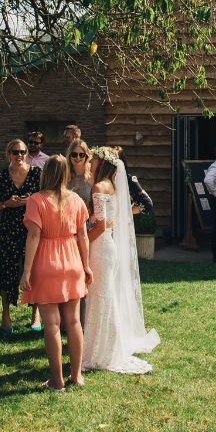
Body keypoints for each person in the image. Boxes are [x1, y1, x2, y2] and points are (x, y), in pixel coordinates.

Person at [83, 150, 160, 373]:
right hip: (109, 246)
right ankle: (104, 348)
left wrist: (82, 244)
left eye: (93, 159)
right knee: (105, 297)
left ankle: (102, 352)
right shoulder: (113, 186)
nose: (90, 162)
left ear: (103, 163)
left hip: (99, 247)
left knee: (100, 297)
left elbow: (99, 226)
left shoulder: (99, 187)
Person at [21, 154, 92, 391]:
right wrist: (86, 264)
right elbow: (82, 236)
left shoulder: (35, 200)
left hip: (46, 261)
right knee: (73, 322)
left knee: (51, 324)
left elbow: (34, 236)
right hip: (72, 259)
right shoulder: (76, 200)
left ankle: (57, 380)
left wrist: (26, 271)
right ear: (65, 174)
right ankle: (77, 375)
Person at [0, 138, 42, 335]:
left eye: (23, 152)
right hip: (9, 227)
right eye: (16, 152)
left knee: (34, 269)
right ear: (8, 154)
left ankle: (36, 314)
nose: (20, 155)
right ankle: (6, 314)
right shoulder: (2, 176)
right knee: (7, 269)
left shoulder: (36, 174)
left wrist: (30, 200)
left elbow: (46, 198)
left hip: (32, 228)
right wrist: (5, 204)